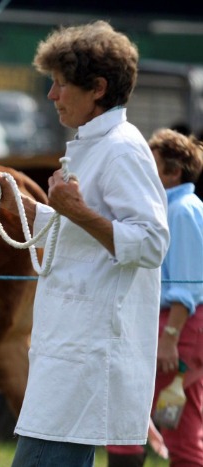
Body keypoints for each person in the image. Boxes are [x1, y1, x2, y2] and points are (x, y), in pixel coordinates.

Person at [0, 21, 170, 467]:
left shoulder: (123, 149)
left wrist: (78, 210)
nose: (51, 95)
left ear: (98, 88)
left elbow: (152, 243)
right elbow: (78, 232)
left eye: (61, 84)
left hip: (89, 351)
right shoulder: (95, 144)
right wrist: (25, 207)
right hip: (69, 345)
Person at [107, 128, 203, 467]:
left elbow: (187, 286)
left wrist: (170, 339)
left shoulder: (182, 211)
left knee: (176, 422)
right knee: (137, 415)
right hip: (163, 329)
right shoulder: (168, 208)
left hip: (177, 332)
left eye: (151, 165)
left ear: (174, 172)